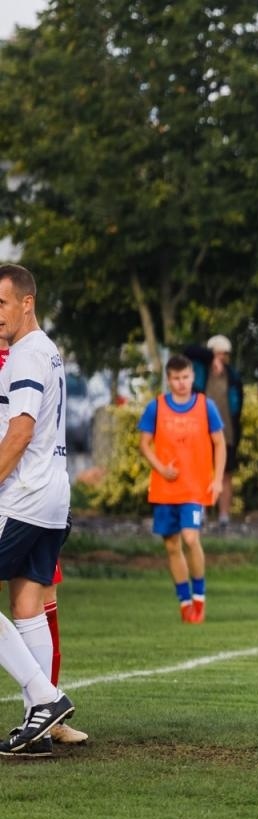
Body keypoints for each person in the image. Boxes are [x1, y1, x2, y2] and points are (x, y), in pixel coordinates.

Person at [0, 264, 78, 758]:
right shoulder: (48, 350)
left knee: (28, 603)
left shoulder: (26, 355)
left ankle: (47, 700)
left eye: (1, 304)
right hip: (52, 499)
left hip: (24, 495)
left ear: (26, 302)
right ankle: (39, 724)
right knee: (27, 605)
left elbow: (20, 431)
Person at [139, 353, 226, 624]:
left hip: (195, 488)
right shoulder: (156, 407)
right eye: (176, 378)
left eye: (186, 377)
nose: (181, 383)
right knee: (172, 546)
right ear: (168, 380)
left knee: (190, 538)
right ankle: (184, 602)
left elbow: (220, 443)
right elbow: (144, 444)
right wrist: (160, 467)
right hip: (165, 490)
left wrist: (218, 479)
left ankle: (199, 597)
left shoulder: (205, 406)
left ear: (193, 377)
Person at [193, 335, 243, 526]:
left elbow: (238, 405)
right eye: (218, 353)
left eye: (225, 354)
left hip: (226, 432)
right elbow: (189, 351)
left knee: (226, 474)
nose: (222, 357)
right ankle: (202, 513)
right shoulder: (200, 372)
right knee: (202, 472)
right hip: (201, 432)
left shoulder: (233, 376)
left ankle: (224, 516)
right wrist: (210, 357)